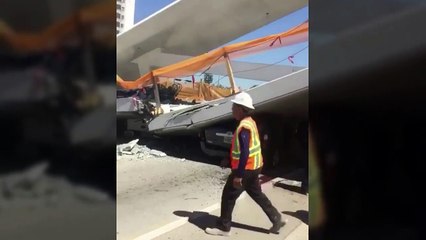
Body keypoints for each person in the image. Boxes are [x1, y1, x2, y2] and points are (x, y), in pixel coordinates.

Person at [205, 92, 286, 236]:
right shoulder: (250, 122)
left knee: (228, 195)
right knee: (257, 194)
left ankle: (224, 227)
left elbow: (244, 152)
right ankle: (276, 218)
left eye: (234, 107)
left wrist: (239, 175)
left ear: (241, 109)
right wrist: (229, 160)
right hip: (254, 167)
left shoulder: (244, 127)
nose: (232, 110)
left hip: (246, 169)